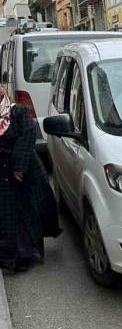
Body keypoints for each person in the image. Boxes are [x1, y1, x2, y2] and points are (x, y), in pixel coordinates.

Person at [0, 87, 60, 272]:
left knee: (27, 212)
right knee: (6, 218)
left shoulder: (17, 112)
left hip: (23, 173)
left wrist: (19, 167)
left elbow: (27, 137)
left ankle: (27, 253)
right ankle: (10, 256)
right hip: (3, 176)